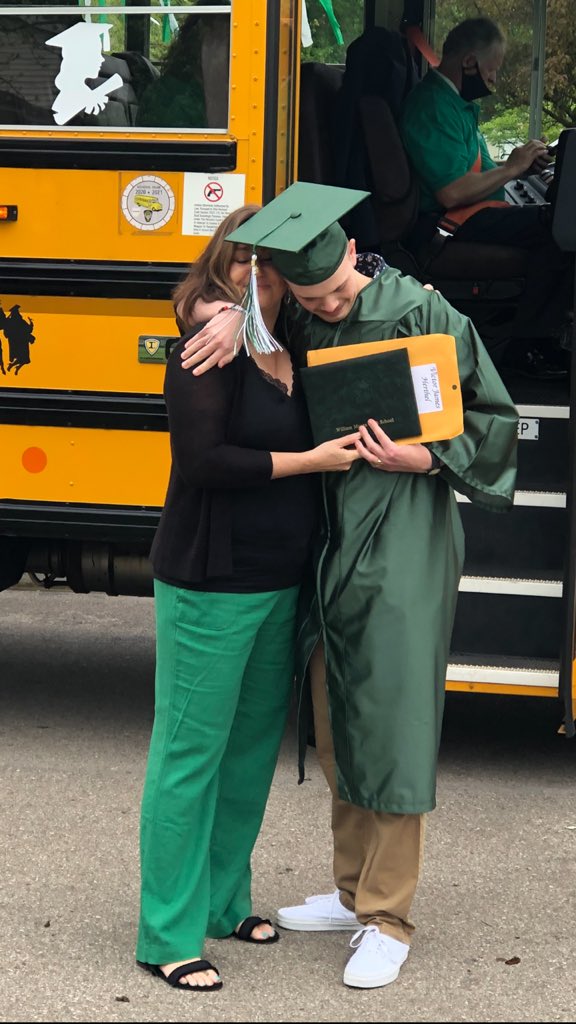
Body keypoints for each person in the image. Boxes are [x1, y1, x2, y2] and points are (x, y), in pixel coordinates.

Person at [179, 181, 519, 990]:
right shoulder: (293, 313)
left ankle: (388, 918)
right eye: (309, 297)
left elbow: (494, 421)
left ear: (356, 262)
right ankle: (349, 889)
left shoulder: (422, 311)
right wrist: (229, 312)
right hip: (326, 539)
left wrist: (427, 458)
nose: (327, 307)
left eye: (336, 291)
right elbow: (228, 316)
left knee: (392, 722)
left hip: (402, 534)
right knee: (337, 723)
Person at [136, 203, 362, 992]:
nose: (257, 278)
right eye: (243, 264)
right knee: (188, 756)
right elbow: (203, 462)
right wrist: (311, 461)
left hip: (279, 580)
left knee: (248, 754)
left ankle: (224, 900)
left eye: (272, 267)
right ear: (223, 264)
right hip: (211, 578)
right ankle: (165, 933)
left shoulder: (288, 341)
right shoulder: (206, 347)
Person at [399, 16, 573, 378]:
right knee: (559, 232)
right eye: (493, 71)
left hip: (473, 213)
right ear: (469, 63)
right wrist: (511, 169)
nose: (494, 81)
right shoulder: (433, 106)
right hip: (447, 226)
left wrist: (524, 167)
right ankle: (530, 347)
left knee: (553, 220)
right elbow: (451, 192)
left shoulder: (457, 105)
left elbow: (480, 171)